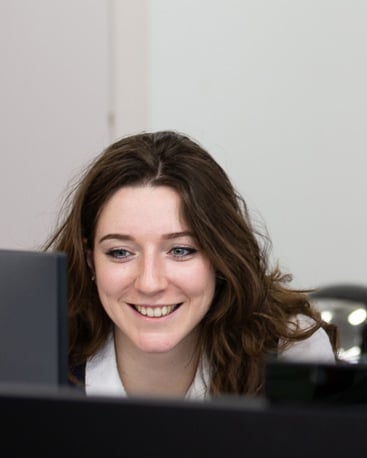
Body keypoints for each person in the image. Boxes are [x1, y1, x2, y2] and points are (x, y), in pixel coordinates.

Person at [45, 130, 336, 398]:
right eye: (120, 252)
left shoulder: (290, 350)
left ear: (220, 255)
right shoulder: (35, 351)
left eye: (181, 250)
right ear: (89, 259)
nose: (150, 283)